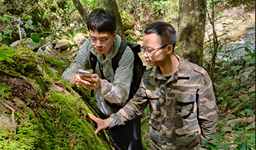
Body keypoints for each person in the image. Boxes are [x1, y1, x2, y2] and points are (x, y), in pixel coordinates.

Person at [88, 21, 218, 150]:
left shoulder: (197, 76)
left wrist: (205, 148)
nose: (145, 55)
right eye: (144, 49)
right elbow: (134, 106)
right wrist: (107, 122)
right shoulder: (149, 76)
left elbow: (209, 121)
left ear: (168, 49)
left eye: (150, 50)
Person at [61, 8, 143, 150]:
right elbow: (66, 74)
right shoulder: (88, 46)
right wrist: (75, 79)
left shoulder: (125, 53)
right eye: (93, 38)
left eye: (104, 39)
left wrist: (99, 84)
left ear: (113, 35)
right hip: (101, 111)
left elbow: (120, 94)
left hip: (124, 115)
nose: (98, 44)